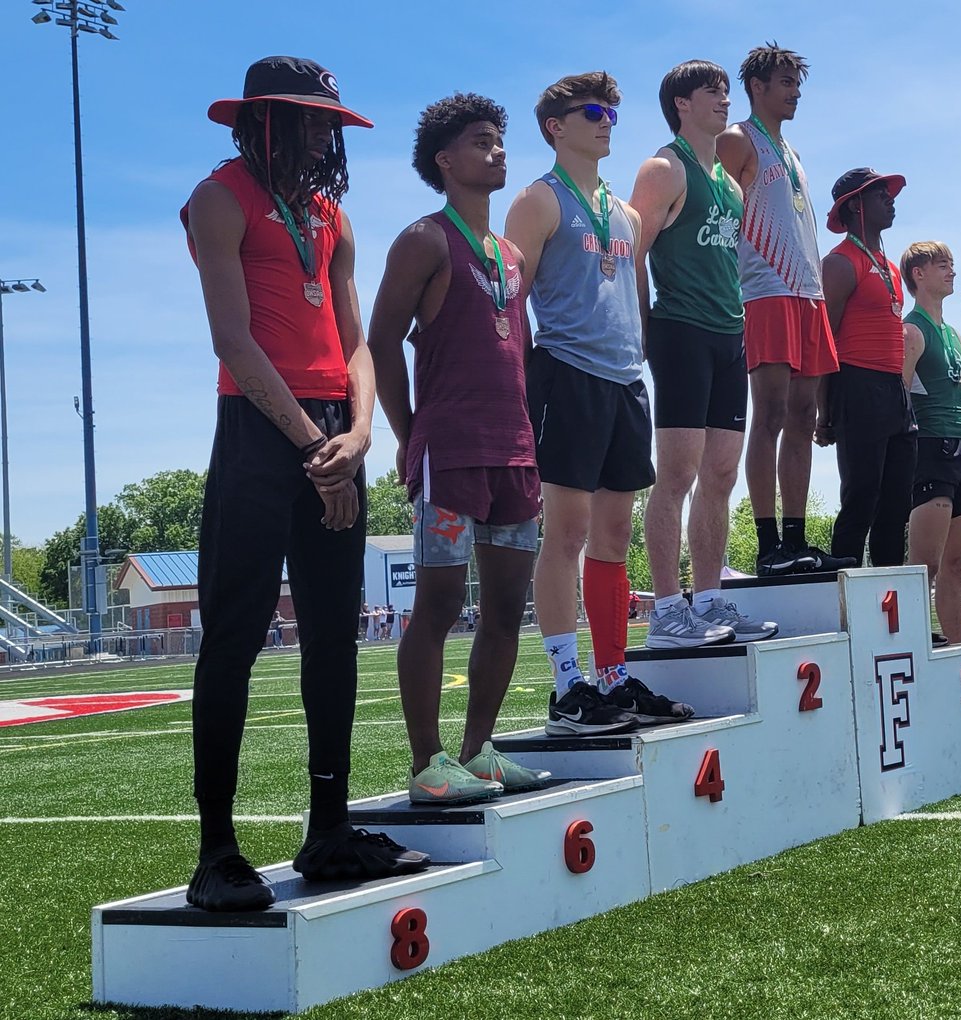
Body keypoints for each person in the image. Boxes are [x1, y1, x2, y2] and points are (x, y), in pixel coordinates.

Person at [182, 56, 428, 911]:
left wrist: (357, 436)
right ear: (262, 122)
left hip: (332, 433)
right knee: (234, 638)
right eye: (310, 120)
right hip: (258, 432)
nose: (325, 135)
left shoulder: (332, 216)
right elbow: (233, 341)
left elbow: (358, 344)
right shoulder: (218, 198)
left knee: (332, 635)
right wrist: (312, 443)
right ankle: (216, 852)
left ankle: (328, 830)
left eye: (330, 121)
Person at [369, 94, 552, 804]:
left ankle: (478, 752)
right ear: (446, 161)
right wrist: (408, 432)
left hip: (514, 454)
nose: (498, 150)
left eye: (501, 140)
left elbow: (519, 352)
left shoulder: (510, 255)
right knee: (440, 603)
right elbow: (381, 341)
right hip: (449, 450)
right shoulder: (423, 239)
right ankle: (427, 765)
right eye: (482, 141)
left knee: (508, 607)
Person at [506, 72, 693, 734]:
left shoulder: (626, 210)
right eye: (593, 110)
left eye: (612, 110)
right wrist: (522, 383)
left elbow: (633, 293)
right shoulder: (536, 201)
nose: (608, 119)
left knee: (615, 536)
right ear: (556, 126)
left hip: (622, 381)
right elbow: (509, 299)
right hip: (567, 374)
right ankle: (566, 686)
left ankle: (612, 677)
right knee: (569, 533)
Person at [630, 60, 775, 646]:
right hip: (680, 330)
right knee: (678, 474)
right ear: (681, 104)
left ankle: (710, 600)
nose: (723, 100)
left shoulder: (732, 184)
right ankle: (667, 609)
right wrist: (641, 331)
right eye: (710, 92)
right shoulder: (664, 169)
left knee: (721, 473)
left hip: (727, 334)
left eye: (725, 91)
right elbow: (630, 256)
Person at [716, 44, 852, 576]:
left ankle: (796, 538)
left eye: (798, 83)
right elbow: (719, 216)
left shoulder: (790, 150)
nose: (795, 92)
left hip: (808, 294)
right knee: (768, 414)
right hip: (765, 290)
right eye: (786, 82)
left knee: (803, 417)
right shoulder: (737, 139)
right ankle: (768, 543)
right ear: (757, 87)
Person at [819, 169, 916, 570]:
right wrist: (824, 413)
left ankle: (894, 605)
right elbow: (825, 341)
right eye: (880, 194)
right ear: (855, 205)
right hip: (856, 385)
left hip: (895, 389)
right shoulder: (840, 263)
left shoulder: (890, 267)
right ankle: (845, 598)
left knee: (897, 504)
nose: (890, 200)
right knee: (861, 495)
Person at [898, 241, 961, 643]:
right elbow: (900, 397)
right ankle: (912, 643)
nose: (951, 271)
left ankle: (958, 652)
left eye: (952, 264)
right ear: (918, 274)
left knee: (956, 566)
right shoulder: (911, 330)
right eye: (942, 265)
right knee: (924, 567)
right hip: (931, 449)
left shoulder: (955, 336)